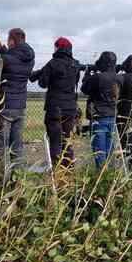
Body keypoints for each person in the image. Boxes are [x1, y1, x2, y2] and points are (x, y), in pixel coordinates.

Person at [31, 37, 81, 168]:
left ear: (58, 47)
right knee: (66, 140)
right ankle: (68, 170)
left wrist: (43, 73)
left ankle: (57, 171)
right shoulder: (76, 64)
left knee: (55, 141)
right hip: (70, 108)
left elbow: (43, 84)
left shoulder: (52, 63)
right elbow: (75, 81)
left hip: (55, 107)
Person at [0, 28, 35, 170]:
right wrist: (0, 46)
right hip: (20, 106)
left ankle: (1, 178)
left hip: (5, 105)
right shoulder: (29, 59)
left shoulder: (6, 60)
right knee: (17, 147)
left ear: (12, 41)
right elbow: (12, 59)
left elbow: (1, 62)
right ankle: (17, 182)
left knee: (1, 145)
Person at [81, 52, 123, 170]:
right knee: (109, 148)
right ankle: (110, 174)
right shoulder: (119, 78)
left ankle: (101, 176)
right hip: (112, 116)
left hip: (99, 117)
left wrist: (88, 74)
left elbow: (84, 89)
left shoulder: (98, 77)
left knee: (99, 151)